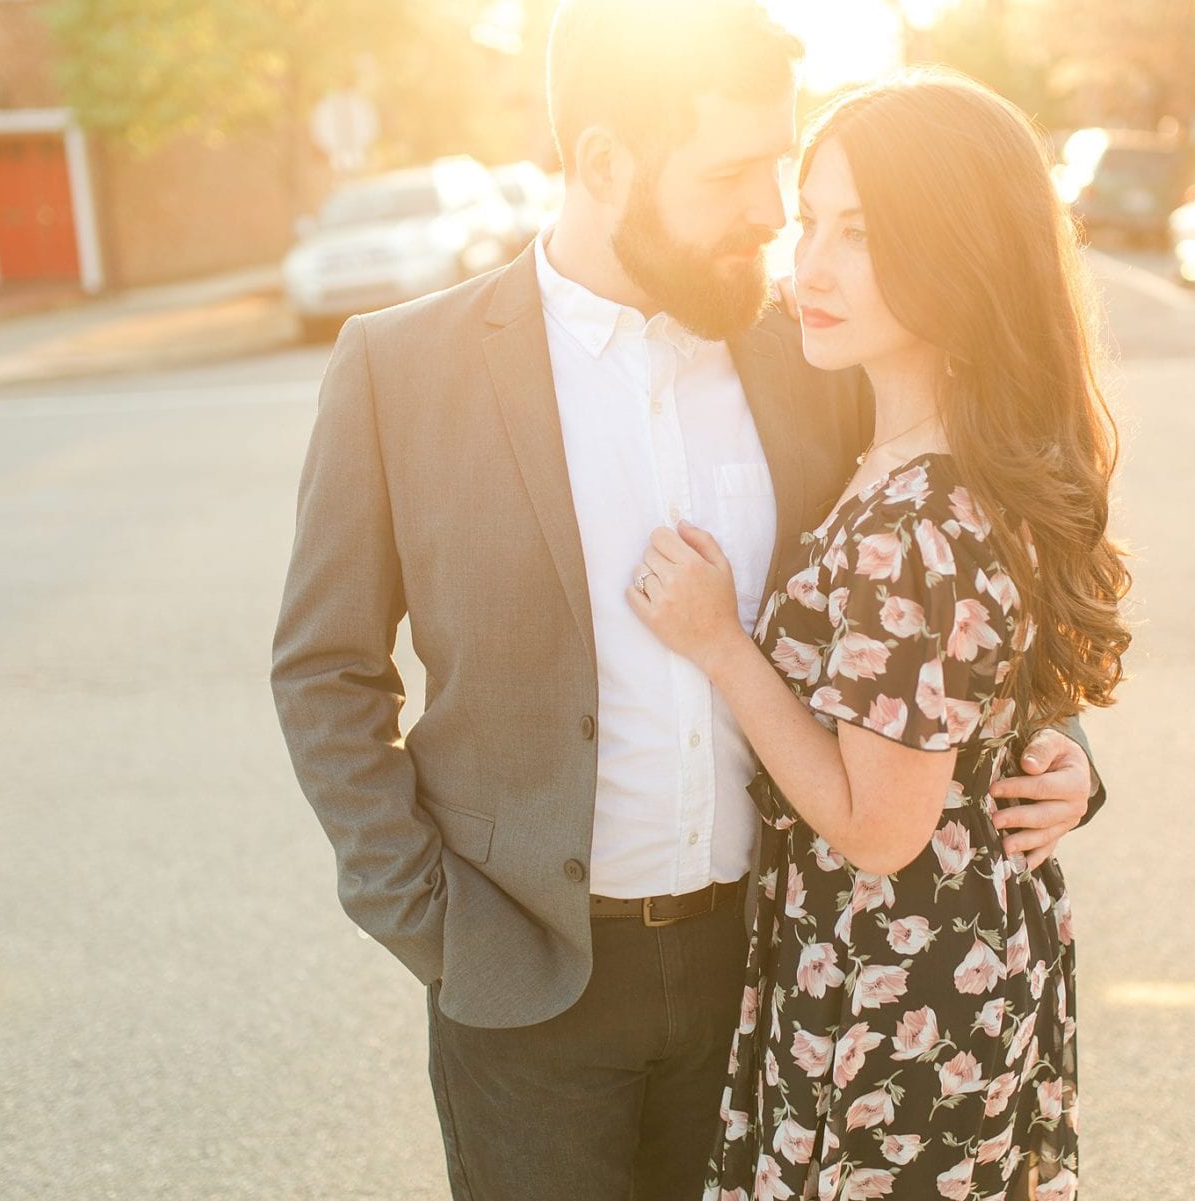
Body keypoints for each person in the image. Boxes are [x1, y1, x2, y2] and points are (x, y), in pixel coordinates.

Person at [269, 4, 1107, 1199]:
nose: (772, 212)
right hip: (526, 983)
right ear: (606, 163)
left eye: (780, 166)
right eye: (734, 173)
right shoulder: (402, 370)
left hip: (768, 965)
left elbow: (949, 567)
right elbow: (324, 668)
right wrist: (433, 924)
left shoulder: (809, 352)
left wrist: (1056, 744)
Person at [629, 69, 1132, 1201]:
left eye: (860, 232)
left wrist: (720, 645)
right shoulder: (923, 458)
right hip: (926, 964)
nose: (808, 266)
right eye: (811, 222)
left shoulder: (922, 515)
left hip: (902, 1001)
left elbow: (878, 824)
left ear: (958, 250)